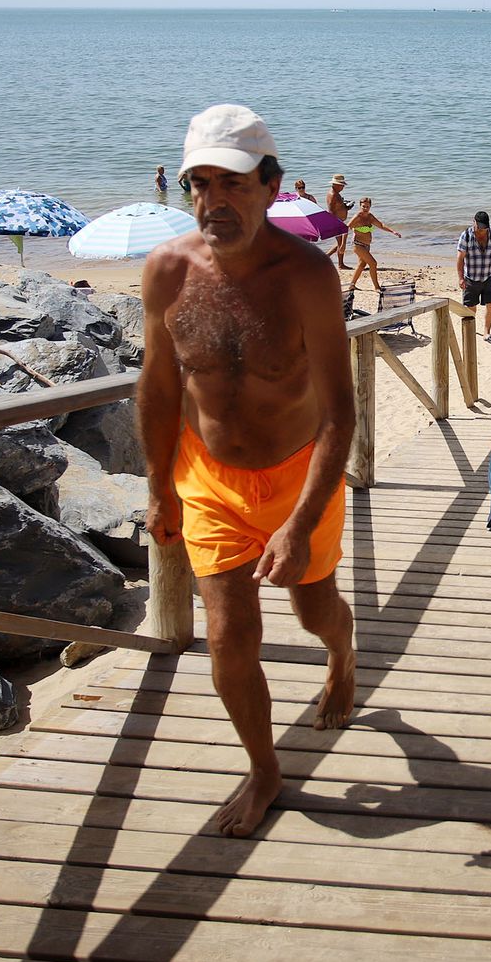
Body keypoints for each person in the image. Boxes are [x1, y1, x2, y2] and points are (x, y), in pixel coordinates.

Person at [138, 103, 357, 838]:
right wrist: (158, 483)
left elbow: (340, 417)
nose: (213, 201)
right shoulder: (168, 272)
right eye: (199, 183)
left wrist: (298, 523)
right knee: (230, 636)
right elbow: (159, 385)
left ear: (270, 186)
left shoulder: (307, 279)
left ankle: (343, 658)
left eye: (230, 184)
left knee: (312, 611)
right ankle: (265, 770)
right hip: (209, 480)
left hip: (300, 476)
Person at [456, 211, 491, 342]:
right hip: (471, 278)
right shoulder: (466, 235)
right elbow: (460, 259)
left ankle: (486, 332)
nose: (482, 231)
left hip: (489, 276)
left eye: (485, 228)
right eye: (480, 227)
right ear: (474, 222)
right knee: (471, 308)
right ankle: (470, 331)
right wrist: (461, 278)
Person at [345, 197, 401, 293]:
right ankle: (376, 287)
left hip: (367, 245)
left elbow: (381, 225)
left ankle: (351, 285)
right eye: (363, 206)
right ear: (360, 206)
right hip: (357, 244)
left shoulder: (370, 216)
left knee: (362, 264)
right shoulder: (357, 216)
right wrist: (342, 245)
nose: (365, 208)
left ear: (370, 206)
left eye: (367, 206)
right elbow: (346, 229)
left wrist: (393, 231)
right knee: (373, 263)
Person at [326, 174, 352, 269]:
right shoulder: (333, 195)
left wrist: (346, 207)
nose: (343, 187)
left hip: (337, 221)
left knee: (339, 244)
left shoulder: (335, 194)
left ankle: (325, 257)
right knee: (341, 244)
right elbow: (332, 211)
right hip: (335, 222)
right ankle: (340, 264)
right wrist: (336, 224)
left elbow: (338, 208)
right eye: (342, 185)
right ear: (336, 185)